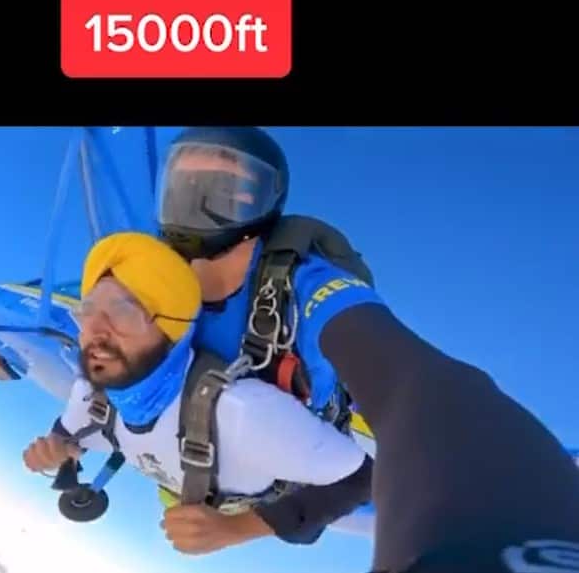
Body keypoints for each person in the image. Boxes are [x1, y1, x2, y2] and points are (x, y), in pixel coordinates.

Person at [154, 126, 579, 572]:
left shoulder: (302, 285)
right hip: (175, 449)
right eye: (185, 189)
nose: (196, 210)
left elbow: (414, 384)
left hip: (274, 469)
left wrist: (515, 547)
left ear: (263, 205)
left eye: (223, 194)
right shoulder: (141, 275)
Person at [22, 231, 373, 555]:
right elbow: (69, 434)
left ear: (170, 326)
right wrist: (57, 451)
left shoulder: (242, 413)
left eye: (122, 313)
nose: (94, 330)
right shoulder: (90, 393)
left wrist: (235, 529)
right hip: (182, 480)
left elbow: (360, 480)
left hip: (243, 494)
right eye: (87, 311)